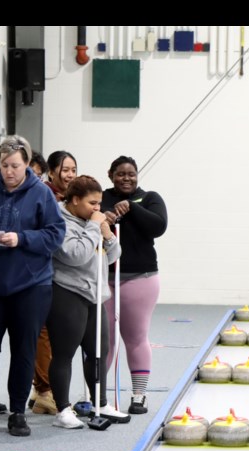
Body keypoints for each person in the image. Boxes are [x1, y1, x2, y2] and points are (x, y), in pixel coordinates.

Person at [0, 135, 65, 437]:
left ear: (27, 165)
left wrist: (22, 238)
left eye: (15, 165)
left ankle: (18, 411)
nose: (9, 171)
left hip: (31, 285)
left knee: (23, 349)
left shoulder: (41, 194)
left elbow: (56, 234)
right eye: (4, 165)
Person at [45, 176, 129, 428]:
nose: (97, 208)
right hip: (67, 292)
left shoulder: (92, 221)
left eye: (99, 203)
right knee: (64, 353)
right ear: (74, 200)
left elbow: (113, 255)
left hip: (95, 294)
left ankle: (100, 402)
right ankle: (62, 410)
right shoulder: (58, 220)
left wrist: (107, 234)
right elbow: (75, 256)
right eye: (92, 203)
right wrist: (94, 226)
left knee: (98, 353)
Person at [102, 155, 167, 415]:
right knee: (103, 341)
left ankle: (139, 394)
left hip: (141, 279)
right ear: (111, 175)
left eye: (131, 174)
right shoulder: (101, 197)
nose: (126, 178)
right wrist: (102, 216)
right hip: (104, 278)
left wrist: (131, 207)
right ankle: (96, 395)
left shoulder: (150, 198)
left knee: (135, 338)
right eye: (120, 174)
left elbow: (158, 226)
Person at [30, 150, 78, 416]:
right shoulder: (44, 195)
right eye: (65, 169)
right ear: (51, 172)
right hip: (43, 273)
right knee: (43, 334)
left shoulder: (74, 198)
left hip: (65, 276)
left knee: (55, 336)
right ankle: (45, 391)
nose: (70, 174)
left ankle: (42, 388)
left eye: (73, 169)